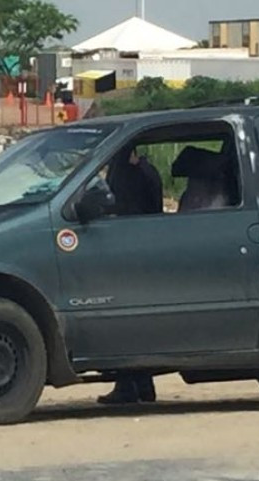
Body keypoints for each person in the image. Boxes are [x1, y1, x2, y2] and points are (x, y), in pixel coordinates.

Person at [97, 142, 164, 406]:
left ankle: (128, 385)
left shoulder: (127, 172)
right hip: (144, 248)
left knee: (124, 322)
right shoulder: (147, 170)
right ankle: (142, 384)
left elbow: (119, 206)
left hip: (128, 249)